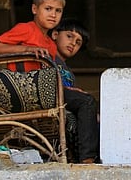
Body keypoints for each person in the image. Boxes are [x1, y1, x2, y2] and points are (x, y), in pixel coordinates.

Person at [51, 18, 99, 164]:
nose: (73, 43)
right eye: (69, 36)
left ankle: (95, 157)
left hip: (64, 101)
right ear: (55, 35)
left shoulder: (68, 71)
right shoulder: (47, 55)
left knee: (98, 118)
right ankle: (87, 159)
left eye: (78, 42)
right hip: (52, 95)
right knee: (87, 101)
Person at [0, 0, 65, 71]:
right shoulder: (26, 29)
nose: (53, 15)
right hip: (19, 81)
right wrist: (27, 49)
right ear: (34, 9)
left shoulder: (52, 45)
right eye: (48, 9)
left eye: (58, 10)